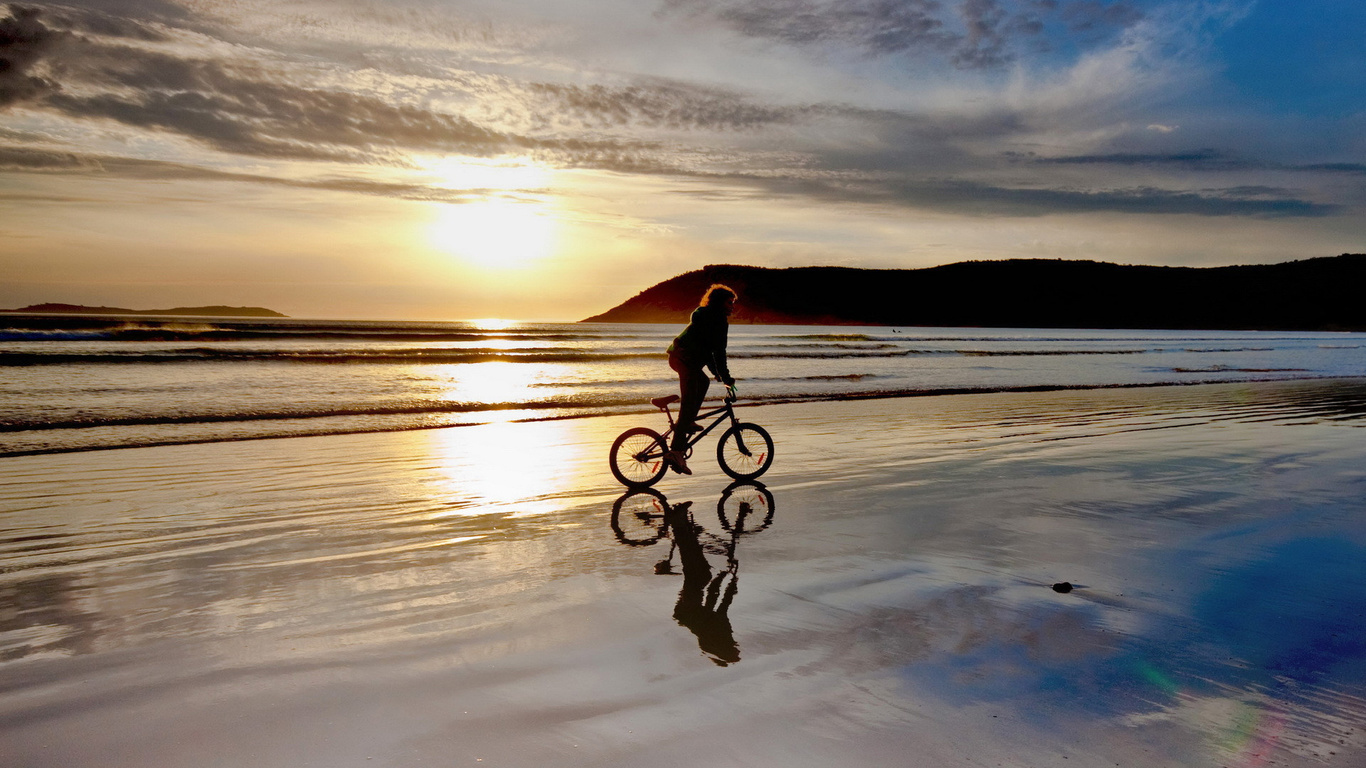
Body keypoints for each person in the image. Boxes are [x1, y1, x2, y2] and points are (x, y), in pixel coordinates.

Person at [664, 284, 737, 474]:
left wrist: (720, 375)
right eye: (730, 302)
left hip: (684, 359)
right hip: (682, 358)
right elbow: (718, 352)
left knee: (703, 382)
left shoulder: (710, 317)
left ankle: (687, 422)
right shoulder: (716, 320)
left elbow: (711, 351)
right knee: (687, 405)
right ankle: (676, 452)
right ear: (720, 302)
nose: (732, 306)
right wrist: (725, 377)